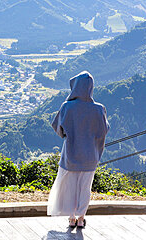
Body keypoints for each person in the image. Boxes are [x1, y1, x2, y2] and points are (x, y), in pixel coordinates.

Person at [47, 71, 109, 228]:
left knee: (70, 186)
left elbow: (58, 129)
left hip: (71, 155)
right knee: (85, 188)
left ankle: (72, 217)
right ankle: (81, 218)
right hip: (90, 156)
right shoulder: (99, 109)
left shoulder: (67, 107)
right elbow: (104, 130)